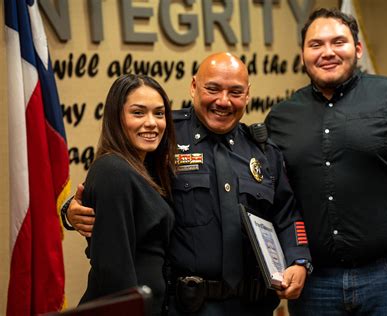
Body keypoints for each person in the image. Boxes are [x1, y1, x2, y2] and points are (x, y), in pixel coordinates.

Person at [63, 52, 312, 315]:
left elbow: (287, 214)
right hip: (186, 305)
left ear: (248, 94)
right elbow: (116, 185)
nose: (223, 101)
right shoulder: (163, 139)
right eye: (213, 89)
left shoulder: (263, 152)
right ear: (194, 87)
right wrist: (70, 210)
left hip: (251, 305)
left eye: (235, 92)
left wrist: (298, 260)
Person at [265, 7, 387, 316]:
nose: (327, 52)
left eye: (339, 42)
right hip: (315, 284)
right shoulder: (280, 119)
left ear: (357, 49)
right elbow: (279, 199)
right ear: (303, 54)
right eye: (316, 44)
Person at [76, 74, 176, 315]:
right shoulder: (113, 171)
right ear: (116, 117)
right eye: (138, 113)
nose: (152, 123)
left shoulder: (145, 169)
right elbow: (113, 272)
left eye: (159, 113)